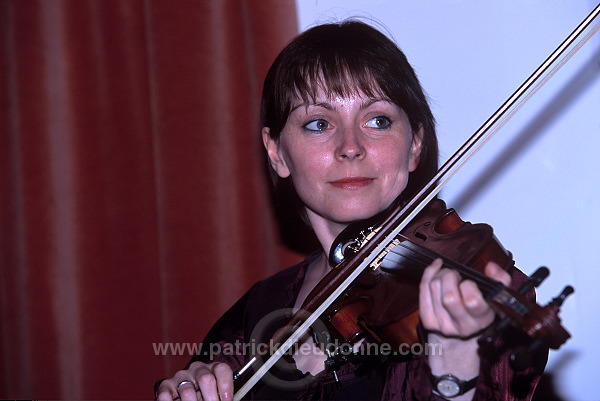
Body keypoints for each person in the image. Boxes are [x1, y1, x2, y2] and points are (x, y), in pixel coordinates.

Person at [155, 20, 547, 401]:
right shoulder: (257, 311)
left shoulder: (478, 287)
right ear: (277, 153)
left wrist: (457, 365)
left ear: (414, 145)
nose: (350, 146)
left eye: (377, 121)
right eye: (318, 123)